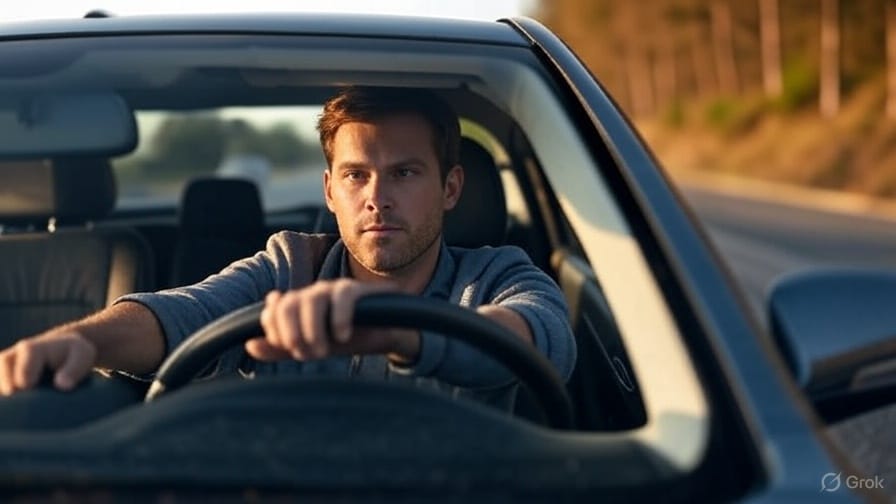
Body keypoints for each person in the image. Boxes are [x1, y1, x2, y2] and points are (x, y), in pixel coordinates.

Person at [0, 86, 575, 410]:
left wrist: (400, 333)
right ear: (329, 190)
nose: (377, 199)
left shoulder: (498, 275)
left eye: (404, 173)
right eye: (356, 175)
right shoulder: (289, 267)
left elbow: (543, 337)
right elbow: (185, 313)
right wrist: (80, 341)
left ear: (450, 188)